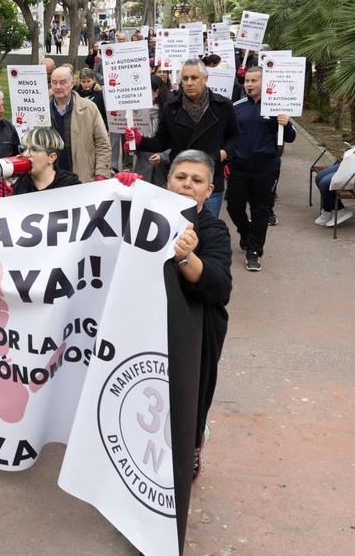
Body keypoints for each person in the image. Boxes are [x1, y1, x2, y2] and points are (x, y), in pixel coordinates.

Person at [164, 150, 233, 482]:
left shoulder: (214, 230)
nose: (187, 185)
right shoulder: (143, 216)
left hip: (196, 331)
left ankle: (192, 446)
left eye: (197, 180)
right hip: (151, 324)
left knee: (191, 396)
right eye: (181, 178)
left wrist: (186, 258)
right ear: (168, 181)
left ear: (209, 190)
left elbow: (219, 287)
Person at [126, 58, 240, 217]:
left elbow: (234, 136)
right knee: (180, 229)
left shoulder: (223, 106)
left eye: (194, 78)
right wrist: (139, 141)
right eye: (185, 78)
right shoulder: (171, 107)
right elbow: (161, 142)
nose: (189, 83)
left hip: (210, 176)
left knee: (207, 229)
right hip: (180, 179)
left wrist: (223, 154)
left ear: (205, 79)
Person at [227, 66, 295, 271]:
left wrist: (287, 123)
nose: (249, 84)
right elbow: (228, 135)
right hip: (239, 167)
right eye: (247, 81)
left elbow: (290, 137)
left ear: (265, 83)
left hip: (265, 168)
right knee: (234, 207)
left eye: (254, 81)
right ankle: (246, 233)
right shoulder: (236, 107)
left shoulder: (277, 108)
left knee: (261, 210)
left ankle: (254, 251)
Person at [48, 65, 111, 183]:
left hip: (82, 178)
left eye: (62, 82)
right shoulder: (43, 110)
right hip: (50, 180)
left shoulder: (89, 108)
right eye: (54, 82)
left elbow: (102, 143)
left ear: (72, 83)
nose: (58, 87)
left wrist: (101, 173)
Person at [0, 127, 81, 195]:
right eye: (24, 149)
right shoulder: (19, 185)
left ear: (51, 157)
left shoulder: (70, 185)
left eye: (34, 150)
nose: (26, 154)